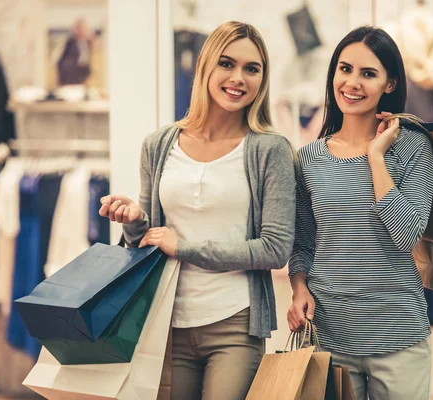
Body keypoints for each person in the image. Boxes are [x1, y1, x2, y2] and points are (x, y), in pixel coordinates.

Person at [99, 21, 295, 400]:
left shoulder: (270, 150)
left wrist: (185, 247)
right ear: (206, 66)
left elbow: (275, 248)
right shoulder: (159, 144)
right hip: (165, 322)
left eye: (252, 69)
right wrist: (135, 222)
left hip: (235, 323)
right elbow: (148, 243)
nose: (238, 78)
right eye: (227, 63)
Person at [287, 25, 433, 400]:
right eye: (345, 69)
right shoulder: (309, 159)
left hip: (399, 334)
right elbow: (303, 243)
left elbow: (407, 234)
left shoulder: (414, 147)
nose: (352, 82)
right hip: (330, 334)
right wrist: (298, 288)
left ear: (389, 84)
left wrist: (376, 158)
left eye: (368, 73)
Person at [57, 18, 92, 86]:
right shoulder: (69, 43)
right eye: (80, 29)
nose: (83, 31)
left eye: (84, 29)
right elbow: (61, 62)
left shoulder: (87, 43)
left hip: (83, 79)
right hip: (70, 81)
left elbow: (87, 61)